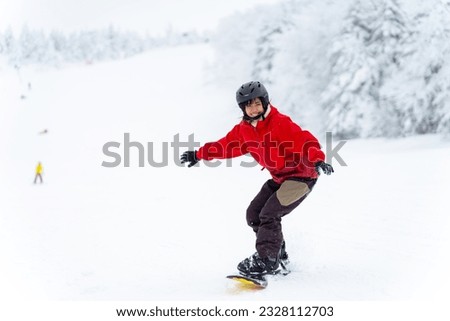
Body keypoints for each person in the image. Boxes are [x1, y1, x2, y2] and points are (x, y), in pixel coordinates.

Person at [180, 81, 334, 276]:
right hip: (280, 178)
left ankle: (267, 259)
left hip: (301, 177)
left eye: (257, 104)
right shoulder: (244, 130)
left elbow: (304, 141)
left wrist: (318, 160)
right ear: (243, 108)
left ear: (265, 102)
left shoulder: (280, 123)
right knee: (254, 214)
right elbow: (225, 145)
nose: (253, 109)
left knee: (269, 214)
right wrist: (199, 154)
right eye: (248, 105)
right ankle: (278, 254)